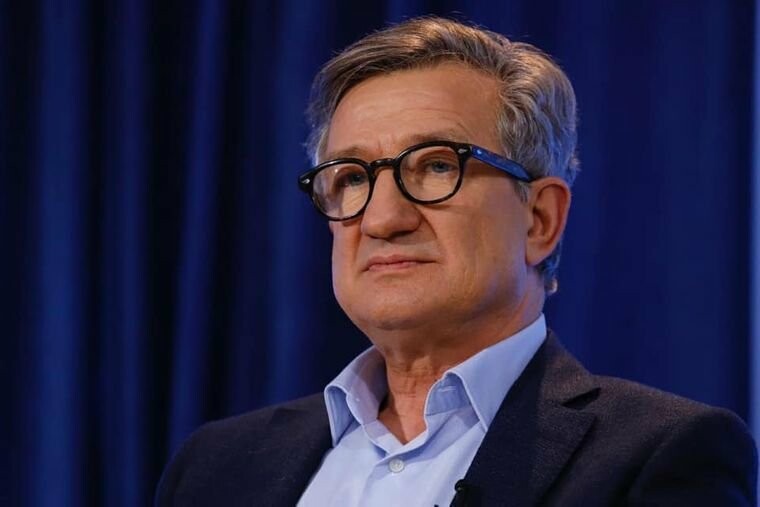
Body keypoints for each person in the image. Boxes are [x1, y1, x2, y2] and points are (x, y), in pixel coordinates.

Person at [156, 16, 757, 506]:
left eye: (437, 166)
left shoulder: (657, 456)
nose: (383, 219)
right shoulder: (217, 466)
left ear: (539, 219)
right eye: (352, 177)